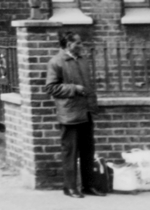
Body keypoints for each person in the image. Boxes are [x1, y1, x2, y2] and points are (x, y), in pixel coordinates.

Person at [45, 31, 104, 198]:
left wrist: (92, 105)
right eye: (78, 43)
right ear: (68, 44)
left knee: (88, 150)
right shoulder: (56, 62)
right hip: (69, 114)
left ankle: (88, 186)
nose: (81, 46)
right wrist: (74, 88)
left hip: (85, 112)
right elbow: (50, 88)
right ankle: (69, 187)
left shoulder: (82, 60)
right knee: (70, 152)